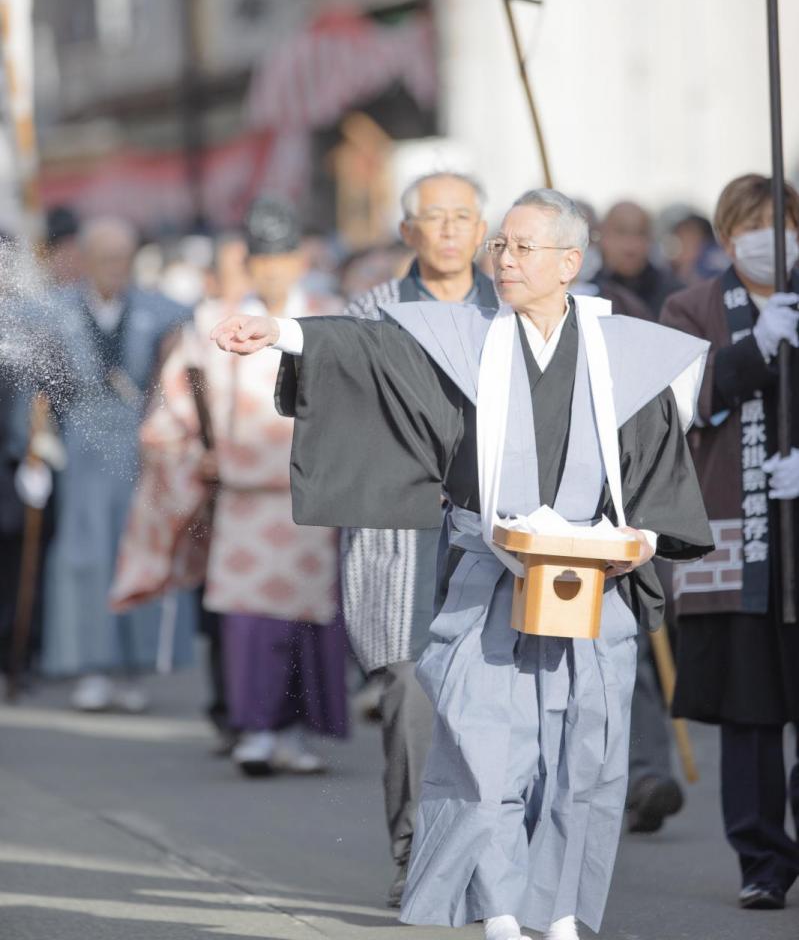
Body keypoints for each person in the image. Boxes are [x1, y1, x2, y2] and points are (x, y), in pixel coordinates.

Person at [213, 188, 712, 940]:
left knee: (584, 754)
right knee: (482, 745)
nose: (504, 261)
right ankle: (499, 904)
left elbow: (652, 475)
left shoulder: (623, 357)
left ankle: (565, 907)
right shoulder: (467, 336)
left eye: (521, 248)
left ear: (569, 264)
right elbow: (370, 350)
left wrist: (640, 540)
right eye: (500, 248)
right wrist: (283, 333)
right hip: (488, 572)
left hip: (590, 581)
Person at [117, 198, 348, 772]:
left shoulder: (330, 314)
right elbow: (174, 406)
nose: (273, 269)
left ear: (299, 260)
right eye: (262, 259)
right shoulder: (211, 323)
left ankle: (295, 734)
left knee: (305, 618)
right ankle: (253, 730)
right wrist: (193, 452)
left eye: (283, 257)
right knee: (245, 620)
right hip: (241, 497)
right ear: (249, 262)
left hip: (309, 497)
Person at [344, 172, 496, 907]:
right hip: (400, 533)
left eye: (459, 216)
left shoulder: (509, 310)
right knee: (409, 687)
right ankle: (413, 852)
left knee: (489, 693)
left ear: (481, 228)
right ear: (406, 232)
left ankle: (487, 856)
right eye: (430, 217)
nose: (444, 229)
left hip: (493, 531)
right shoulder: (373, 311)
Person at [663, 173, 799, 911]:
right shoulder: (692, 307)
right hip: (732, 531)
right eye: (748, 224)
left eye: (779, 223)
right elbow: (682, 400)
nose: (766, 237)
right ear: (723, 236)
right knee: (749, 709)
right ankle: (761, 857)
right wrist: (752, 354)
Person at [41, 218, 193, 711]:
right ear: (83, 260)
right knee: (85, 556)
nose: (116, 269)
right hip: (81, 448)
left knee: (139, 550)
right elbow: (34, 390)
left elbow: (190, 330)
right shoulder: (55, 311)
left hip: (139, 445)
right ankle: (91, 666)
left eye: (123, 259)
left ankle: (135, 667)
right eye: (106, 259)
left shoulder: (158, 308)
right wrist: (36, 444)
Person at [598, 201, 684, 317]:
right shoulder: (586, 294)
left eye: (640, 233)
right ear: (603, 236)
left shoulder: (674, 298)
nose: (630, 245)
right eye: (621, 232)